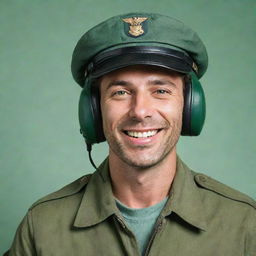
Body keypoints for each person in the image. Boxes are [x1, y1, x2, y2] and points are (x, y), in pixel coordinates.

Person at [7, 12, 255, 256]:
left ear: (190, 105)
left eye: (160, 90)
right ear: (93, 110)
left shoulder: (244, 224)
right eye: (120, 92)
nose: (140, 111)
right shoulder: (41, 228)